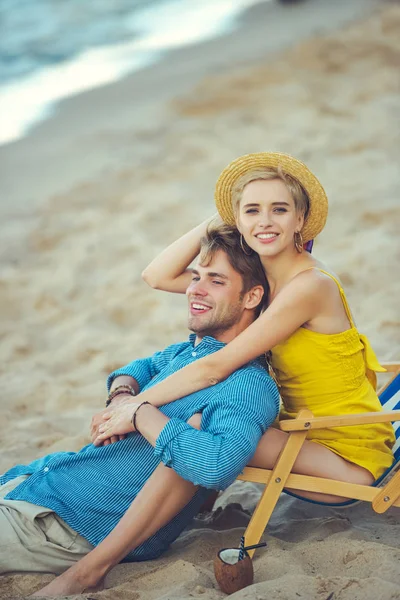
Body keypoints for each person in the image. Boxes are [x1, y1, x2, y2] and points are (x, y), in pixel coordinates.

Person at [31, 151, 396, 597]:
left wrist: (135, 407)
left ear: (302, 219)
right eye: (252, 210)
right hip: (307, 432)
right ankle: (189, 503)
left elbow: (217, 365)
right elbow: (156, 275)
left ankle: (91, 568)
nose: (266, 221)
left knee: (199, 424)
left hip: (345, 455)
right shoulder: (265, 279)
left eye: (279, 209)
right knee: (210, 412)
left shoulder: (308, 287)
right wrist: (220, 220)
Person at [0, 225, 280, 596]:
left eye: (215, 281)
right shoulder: (192, 352)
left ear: (252, 296)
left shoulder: (245, 383)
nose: (194, 289)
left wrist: (139, 414)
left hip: (62, 525)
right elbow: (136, 368)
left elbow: (218, 463)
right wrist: (121, 397)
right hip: (35, 487)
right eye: (195, 276)